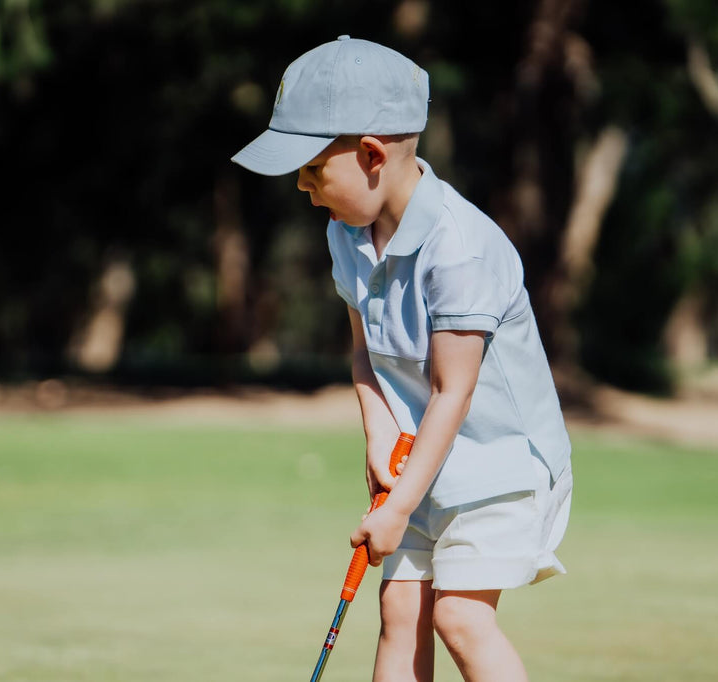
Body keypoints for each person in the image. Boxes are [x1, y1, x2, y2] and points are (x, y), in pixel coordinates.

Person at [232, 35, 573, 682]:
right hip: (423, 458)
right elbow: (365, 351)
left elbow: (454, 391)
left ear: (370, 155)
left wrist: (395, 507)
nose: (304, 190)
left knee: (460, 619)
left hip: (503, 466)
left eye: (312, 172)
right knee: (399, 613)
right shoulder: (346, 232)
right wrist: (379, 432)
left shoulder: (461, 248)